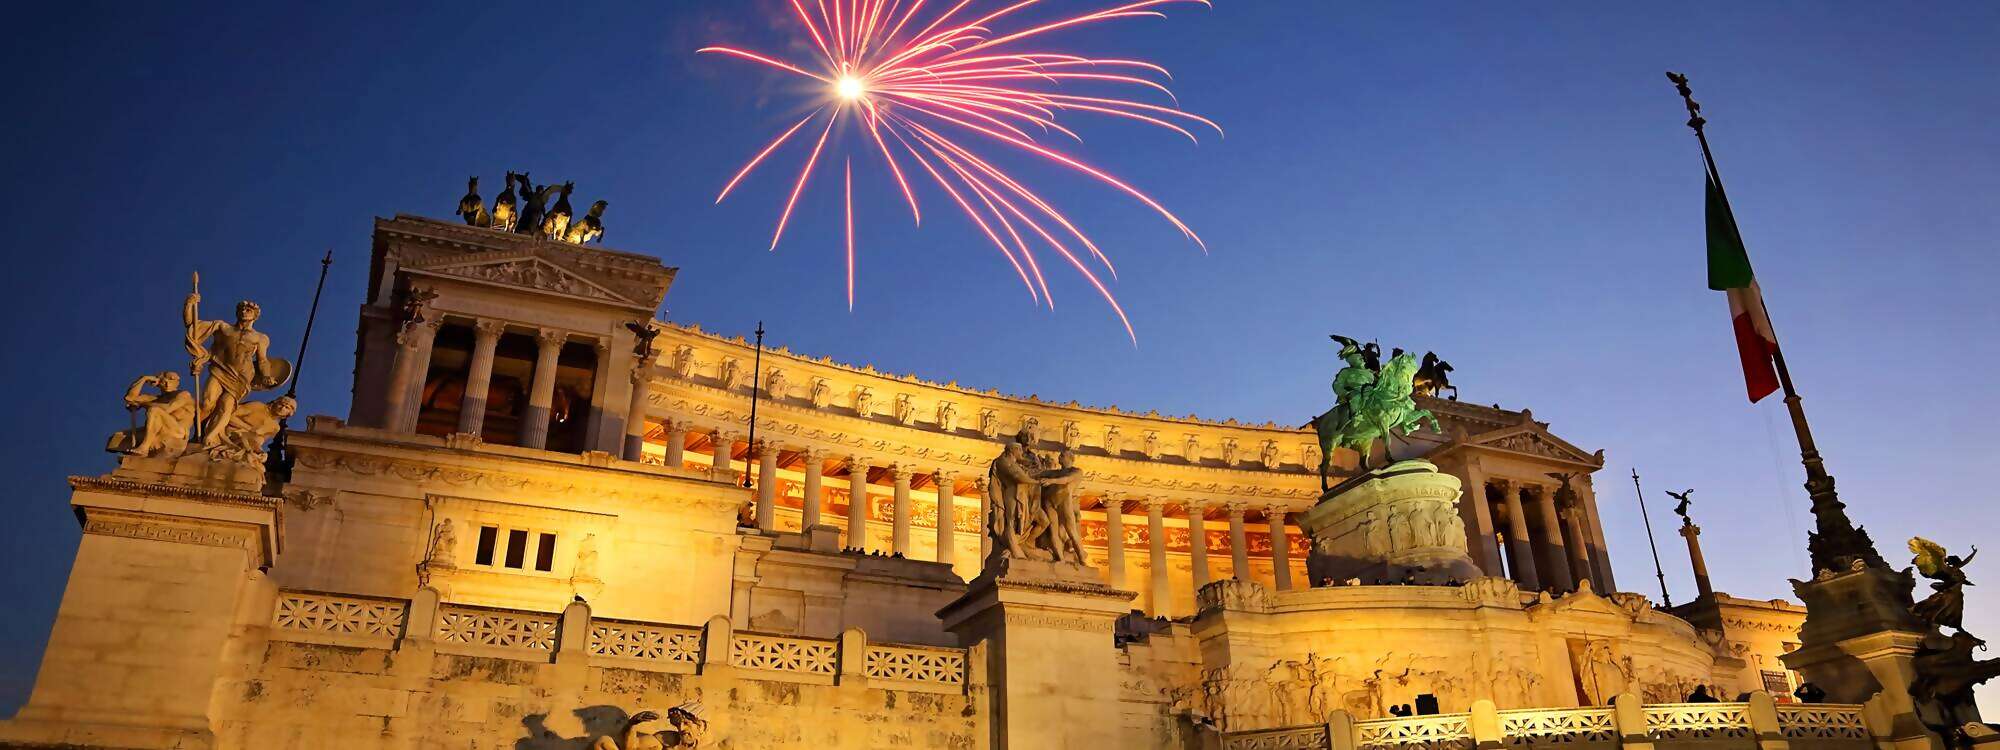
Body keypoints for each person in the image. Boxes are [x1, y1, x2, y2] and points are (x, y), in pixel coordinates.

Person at [185, 290, 285, 447]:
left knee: (226, 406)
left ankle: (210, 438)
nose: (244, 312)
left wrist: (265, 376)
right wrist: (190, 304)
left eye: (249, 310)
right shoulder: (222, 327)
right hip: (220, 369)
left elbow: (262, 360)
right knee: (207, 403)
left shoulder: (260, 337)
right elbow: (193, 327)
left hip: (241, 378)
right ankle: (195, 435)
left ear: (255, 315)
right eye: (242, 310)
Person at [107, 371, 196, 457]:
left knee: (155, 410)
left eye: (171, 380)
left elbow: (168, 408)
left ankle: (144, 447)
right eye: (163, 381)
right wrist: (144, 378)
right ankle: (140, 451)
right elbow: (130, 398)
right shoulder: (155, 399)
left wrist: (142, 404)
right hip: (158, 432)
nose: (167, 383)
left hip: (177, 431)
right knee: (118, 438)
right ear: (157, 382)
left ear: (177, 382)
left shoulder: (184, 395)